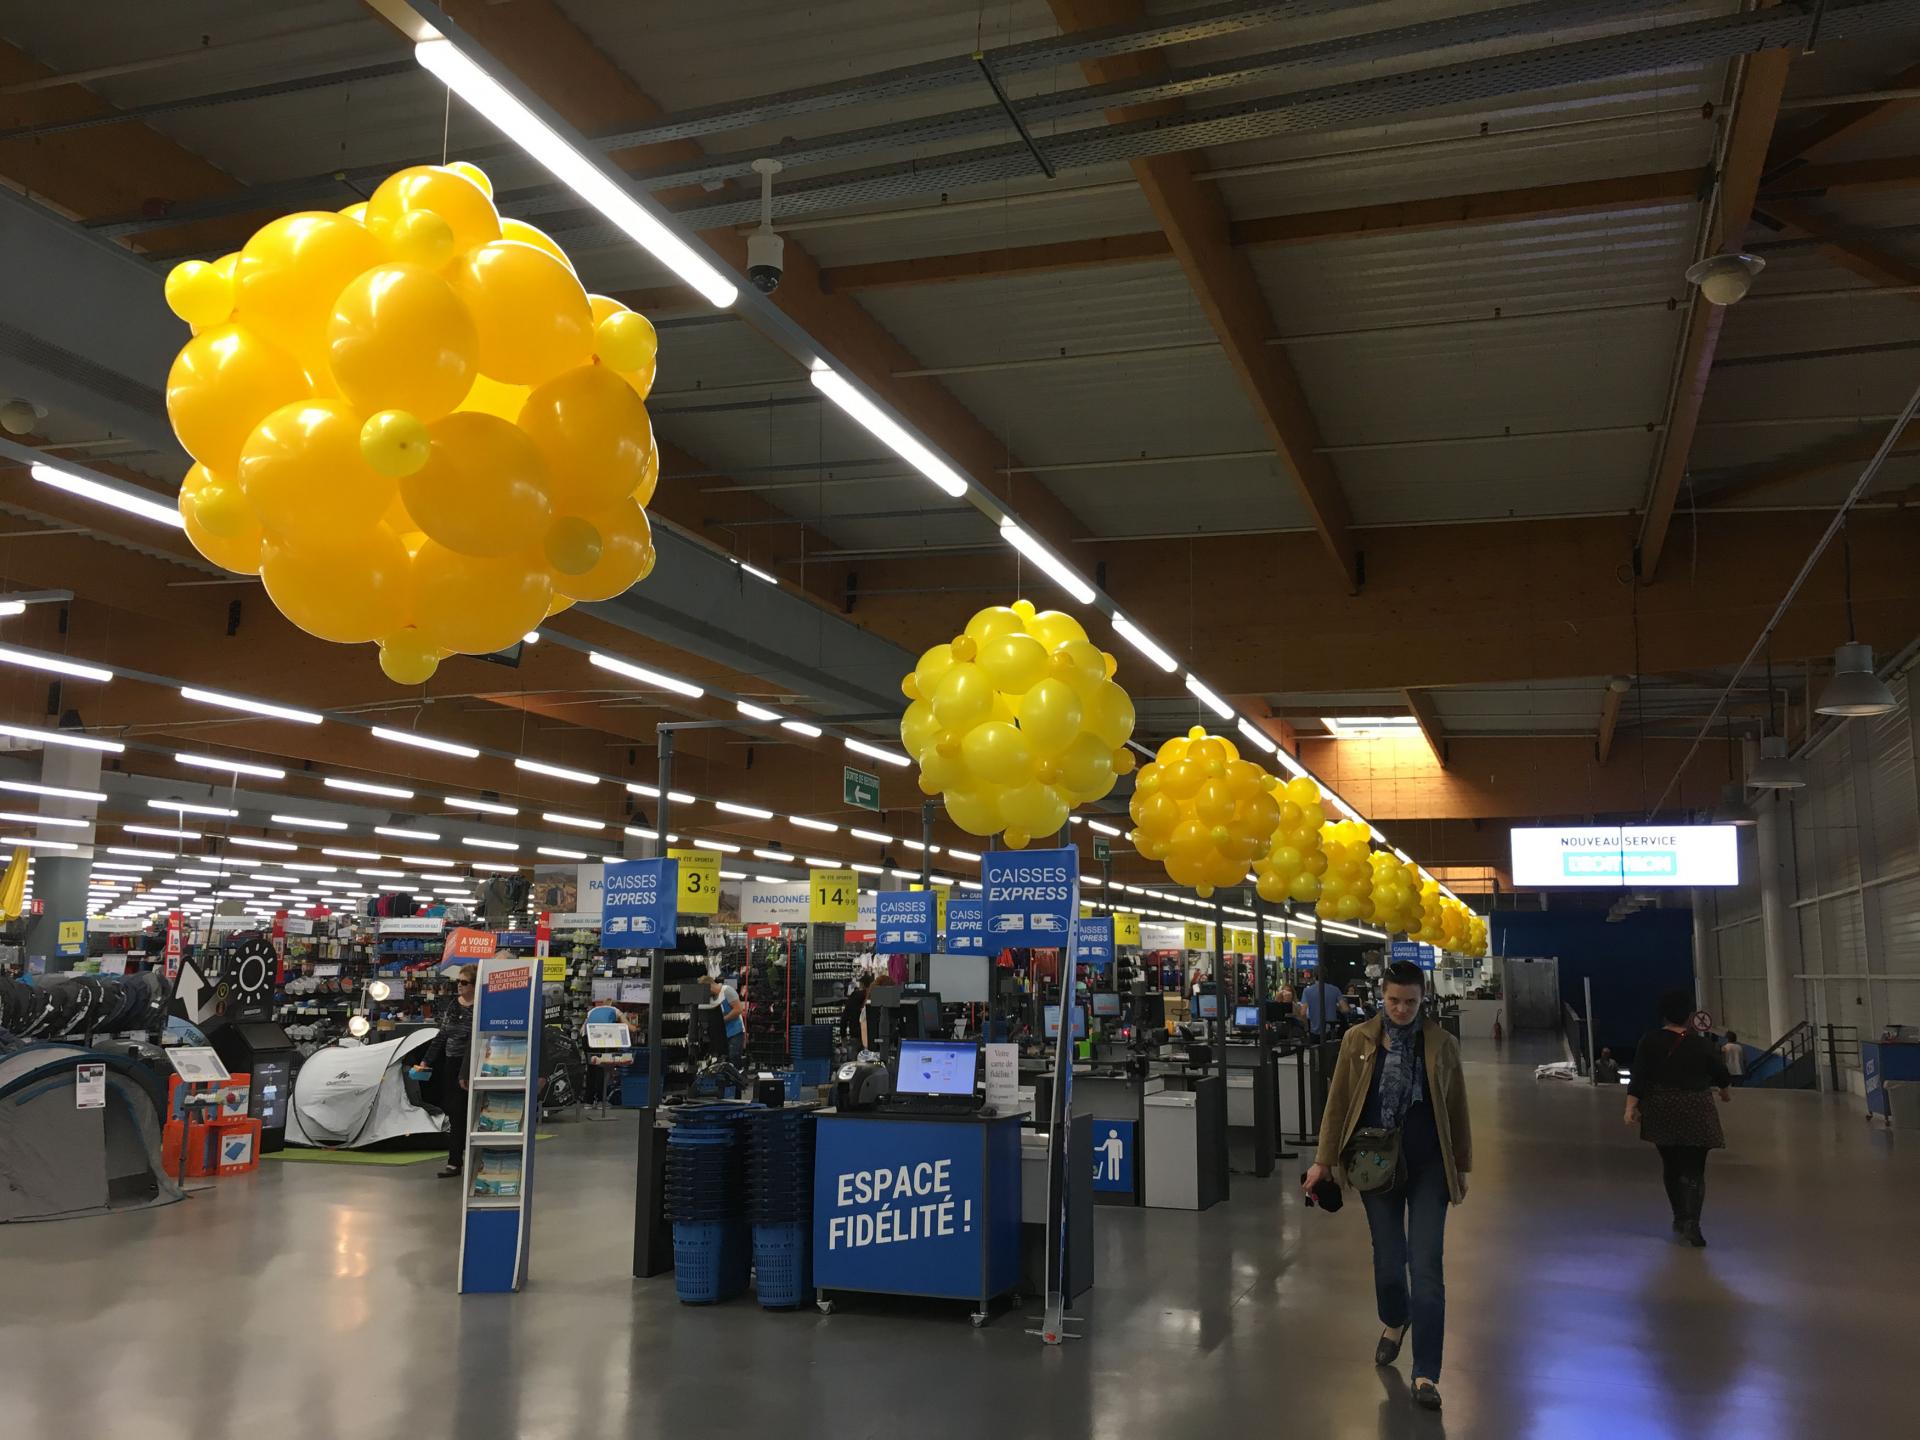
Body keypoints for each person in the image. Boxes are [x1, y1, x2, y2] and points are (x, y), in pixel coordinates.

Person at [1302, 960, 1471, 1412]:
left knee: (1427, 1268)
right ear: (1383, 996)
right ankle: (1395, 1319)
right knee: (1390, 1263)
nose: (1400, 1009)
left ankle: (1425, 1373)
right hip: (1375, 1166)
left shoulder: (1441, 1044)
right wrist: (1323, 1162)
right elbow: (1338, 1103)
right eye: (1393, 1000)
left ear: (1423, 999)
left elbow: (1457, 1106)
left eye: (1410, 1002)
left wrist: (1463, 1164)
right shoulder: (1359, 1040)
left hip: (1430, 1166)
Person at [1625, 990, 1731, 1247]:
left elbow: (1638, 1077)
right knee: (1695, 1168)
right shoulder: (1701, 1043)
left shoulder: (1649, 1041)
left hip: (1662, 1107)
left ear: (1663, 1015)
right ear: (1689, 1016)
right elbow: (1722, 1076)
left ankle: (1679, 1217)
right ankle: (1693, 1223)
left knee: (1671, 1166)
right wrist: (1725, 1094)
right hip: (1697, 1107)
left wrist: (1631, 1108)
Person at [420, 964, 477, 1179]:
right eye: (458, 982)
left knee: (472, 1111)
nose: (459, 986)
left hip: (471, 1062)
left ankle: (473, 1157)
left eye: (464, 982)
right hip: (452, 1063)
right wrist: (426, 1060)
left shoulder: (481, 1006)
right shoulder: (454, 1006)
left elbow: (473, 1035)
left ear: (474, 984)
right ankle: (454, 1160)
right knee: (455, 1112)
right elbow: (443, 1035)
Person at [705, 970, 747, 1065]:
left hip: (735, 1032)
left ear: (710, 986)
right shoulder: (712, 997)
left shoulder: (727, 991)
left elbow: (738, 1009)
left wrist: (721, 1020)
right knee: (724, 1061)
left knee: (733, 1059)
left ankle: (736, 1077)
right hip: (722, 1034)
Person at [840, 973, 874, 1053]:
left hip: (855, 1035)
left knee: (855, 1062)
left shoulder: (854, 996)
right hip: (870, 1036)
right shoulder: (874, 997)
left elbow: (845, 1016)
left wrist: (843, 1035)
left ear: (861, 984)